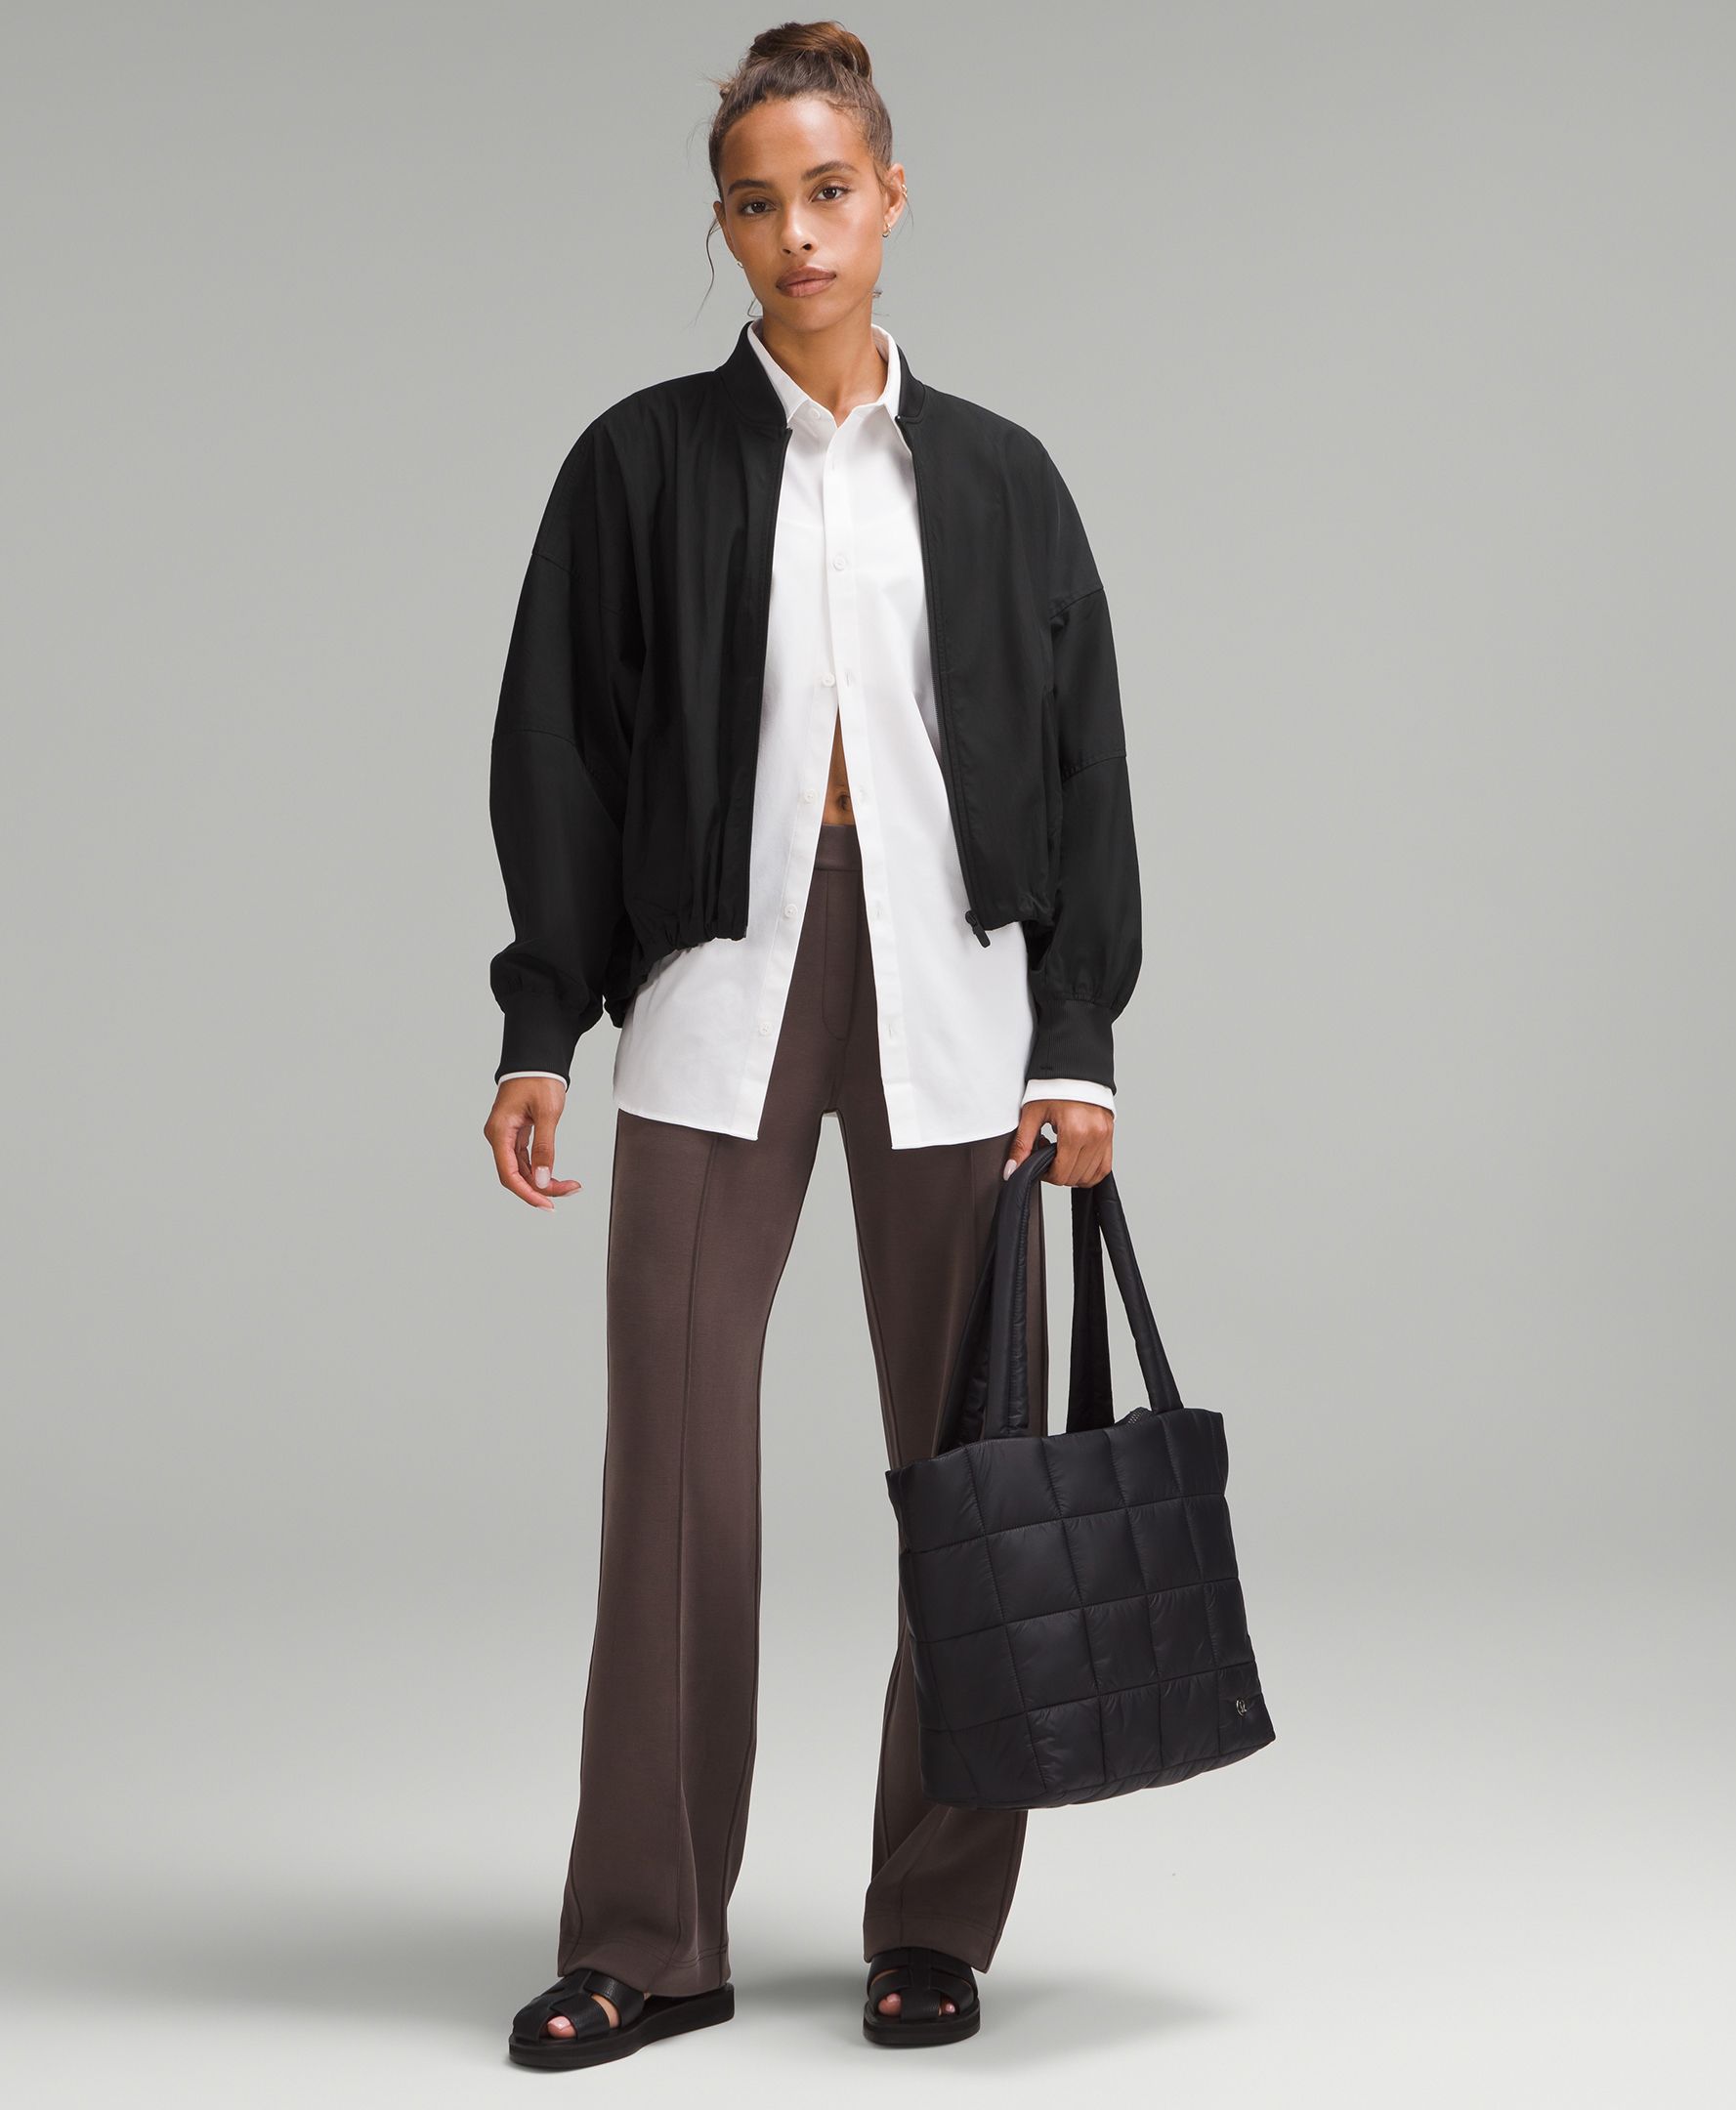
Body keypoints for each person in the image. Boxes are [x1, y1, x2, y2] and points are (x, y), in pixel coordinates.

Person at [487, 21, 1143, 2070]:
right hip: (717, 986)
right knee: (674, 1474)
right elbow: (560, 754)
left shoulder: (1004, 480)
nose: (798, 235)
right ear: (726, 221)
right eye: (757, 202)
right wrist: (540, 1018)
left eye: (830, 191)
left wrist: (1076, 1042)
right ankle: (648, 1936)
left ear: (893, 196)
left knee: (971, 1473)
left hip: (957, 994)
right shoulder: (638, 465)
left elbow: (1085, 770)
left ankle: (933, 1921)